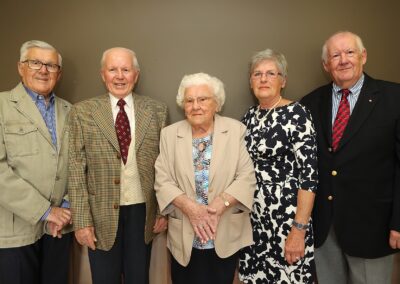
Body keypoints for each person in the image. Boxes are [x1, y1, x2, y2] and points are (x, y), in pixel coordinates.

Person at [300, 31, 400, 284]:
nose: (343, 60)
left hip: (374, 228)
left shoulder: (394, 98)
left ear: (363, 56)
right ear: (326, 65)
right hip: (325, 228)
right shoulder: (311, 103)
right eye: (335, 55)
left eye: (349, 52)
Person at [68, 47, 168, 284]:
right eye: (113, 69)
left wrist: (164, 211)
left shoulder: (156, 110)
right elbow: (75, 170)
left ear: (136, 74)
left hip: (143, 213)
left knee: (138, 278)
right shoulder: (82, 112)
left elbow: (165, 166)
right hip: (99, 214)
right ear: (103, 74)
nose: (119, 76)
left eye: (126, 69)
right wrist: (82, 222)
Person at [154, 72, 256, 284]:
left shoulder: (235, 130)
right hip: (184, 234)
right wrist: (191, 209)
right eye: (189, 100)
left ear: (217, 104)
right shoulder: (169, 134)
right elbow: (162, 179)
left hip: (224, 230)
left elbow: (246, 176)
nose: (195, 106)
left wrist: (219, 205)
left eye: (203, 99)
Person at [238, 49, 318, 283]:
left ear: (283, 81)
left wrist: (298, 230)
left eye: (271, 73)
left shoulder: (297, 114)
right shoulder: (248, 117)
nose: (263, 79)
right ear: (250, 81)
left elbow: (309, 177)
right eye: (257, 74)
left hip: (286, 222)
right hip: (253, 223)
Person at [0, 40, 72, 284]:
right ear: (21, 67)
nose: (43, 70)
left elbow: (79, 163)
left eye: (51, 65)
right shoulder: (1, 106)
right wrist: (45, 211)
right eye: (35, 63)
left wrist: (66, 205)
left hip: (59, 229)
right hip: (14, 231)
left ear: (59, 73)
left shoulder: (71, 111)